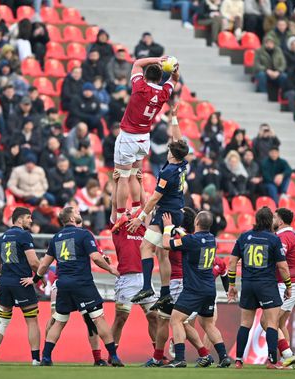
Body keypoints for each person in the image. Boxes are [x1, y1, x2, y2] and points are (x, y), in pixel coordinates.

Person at [21, 207, 123, 366]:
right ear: (71, 218)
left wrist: (35, 280)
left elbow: (44, 264)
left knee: (60, 321)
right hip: (82, 282)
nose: (79, 213)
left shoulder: (56, 238)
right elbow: (95, 257)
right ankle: (114, 356)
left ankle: (46, 357)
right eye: (76, 212)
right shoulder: (84, 234)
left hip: (63, 285)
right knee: (98, 319)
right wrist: (111, 269)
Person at [127, 103, 189, 311]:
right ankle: (165, 294)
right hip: (176, 212)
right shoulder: (181, 163)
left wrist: (140, 217)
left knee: (146, 247)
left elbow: (154, 198)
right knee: (162, 254)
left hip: (165, 213)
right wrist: (174, 118)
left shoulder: (168, 172)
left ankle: (147, 287)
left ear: (171, 153)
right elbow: (178, 140)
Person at [143, 207, 216, 368]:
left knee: (167, 320)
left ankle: (161, 358)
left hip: (176, 282)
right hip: (183, 281)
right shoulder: (189, 236)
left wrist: (165, 226)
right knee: (178, 322)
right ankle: (204, 354)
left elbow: (162, 246)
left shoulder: (176, 236)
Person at [112, 57, 178, 230]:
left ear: (145, 75)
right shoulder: (164, 92)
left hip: (128, 137)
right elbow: (174, 80)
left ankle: (120, 215)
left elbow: (136, 64)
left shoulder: (139, 86)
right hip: (144, 138)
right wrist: (173, 69)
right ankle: (135, 208)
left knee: (122, 177)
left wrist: (157, 59)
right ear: (160, 78)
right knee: (134, 174)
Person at [161, 210, 231, 368]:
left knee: (175, 319)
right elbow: (192, 241)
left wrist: (167, 228)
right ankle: (224, 356)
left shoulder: (191, 240)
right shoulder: (212, 239)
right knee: (208, 325)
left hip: (194, 289)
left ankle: (179, 358)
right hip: (209, 289)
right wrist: (180, 231)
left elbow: (166, 245)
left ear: (197, 223)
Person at [228, 206, 293, 369]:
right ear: (270, 221)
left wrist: (231, 285)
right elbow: (283, 267)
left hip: (248, 285)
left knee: (245, 323)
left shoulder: (243, 237)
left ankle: (238, 360)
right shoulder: (273, 239)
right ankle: (272, 362)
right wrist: (288, 286)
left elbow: (232, 262)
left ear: (256, 220)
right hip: (267, 285)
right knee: (272, 323)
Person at [0, 207, 41, 365]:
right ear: (20, 219)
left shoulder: (3, 236)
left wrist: (8, 274)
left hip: (5, 282)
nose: (31, 221)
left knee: (2, 321)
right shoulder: (24, 235)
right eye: (29, 218)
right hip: (22, 282)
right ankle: (36, 359)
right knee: (32, 321)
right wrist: (40, 276)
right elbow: (33, 262)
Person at [110, 212, 158, 351]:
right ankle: (112, 354)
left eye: (133, 212)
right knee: (120, 318)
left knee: (154, 317)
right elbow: (116, 204)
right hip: (127, 279)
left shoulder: (144, 229)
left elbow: (147, 208)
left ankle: (158, 356)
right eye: (127, 213)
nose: (130, 214)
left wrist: (144, 213)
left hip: (145, 279)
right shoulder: (119, 228)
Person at [272, 208, 295, 367]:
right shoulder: (291, 235)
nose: (272, 220)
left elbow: (280, 261)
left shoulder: (284, 237)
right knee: (281, 323)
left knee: (270, 321)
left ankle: (287, 356)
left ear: (281, 221)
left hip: (288, 284)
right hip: (293, 282)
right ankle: (286, 360)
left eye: (274, 217)